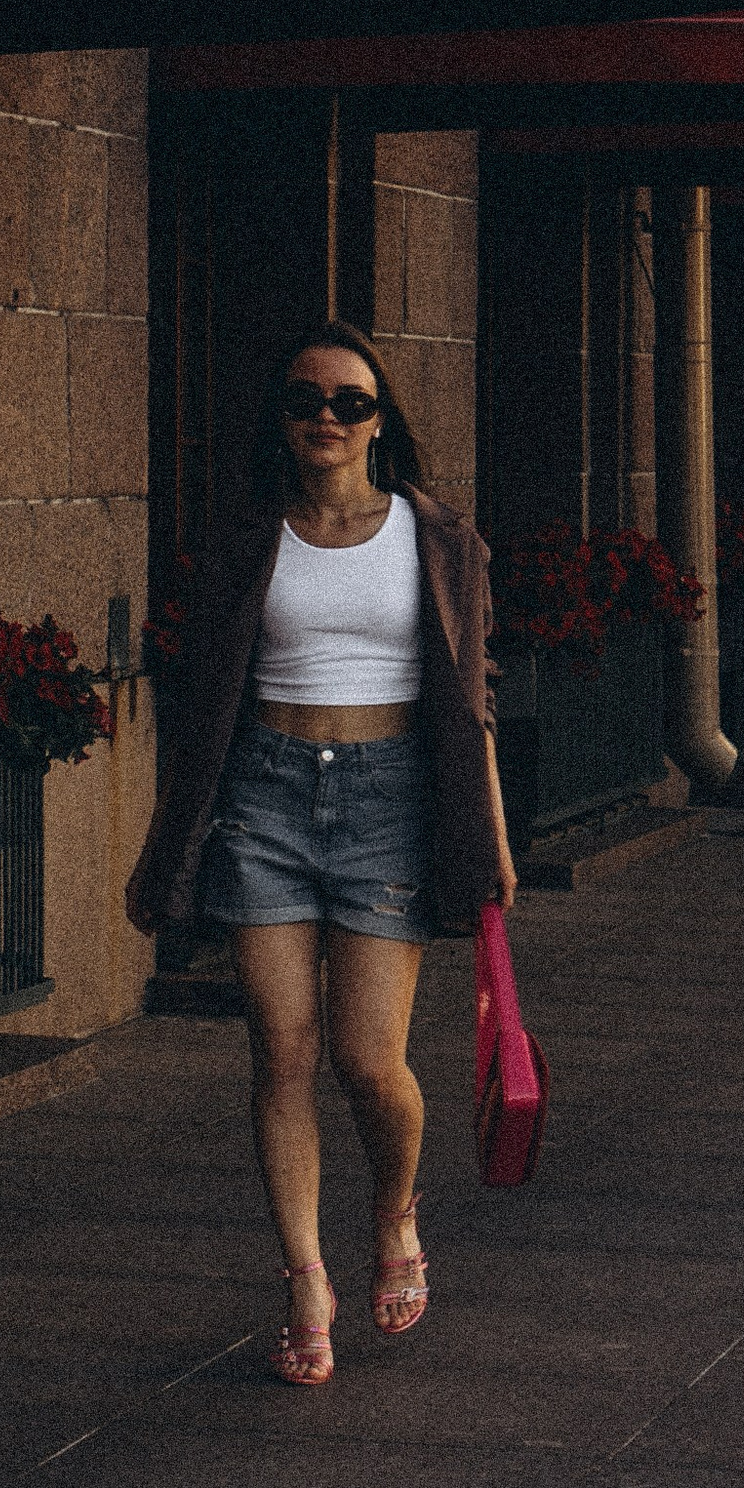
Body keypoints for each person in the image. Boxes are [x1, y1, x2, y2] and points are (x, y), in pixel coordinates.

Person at [124, 316, 516, 1384]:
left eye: (349, 401)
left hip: (390, 802)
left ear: (381, 420)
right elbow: (204, 700)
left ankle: (393, 1218)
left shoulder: (437, 538)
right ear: (281, 421)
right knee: (281, 1051)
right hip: (265, 800)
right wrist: (174, 834)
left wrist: (488, 829)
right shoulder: (250, 539)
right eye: (305, 401)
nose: (327, 419)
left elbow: (470, 698)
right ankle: (303, 1279)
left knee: (366, 1060)